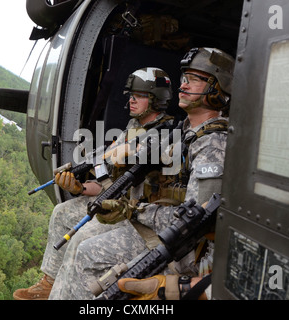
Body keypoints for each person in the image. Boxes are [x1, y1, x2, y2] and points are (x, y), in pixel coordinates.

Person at [57, 47, 234, 300]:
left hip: (183, 251)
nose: (183, 86)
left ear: (217, 89)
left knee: (89, 254)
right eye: (184, 78)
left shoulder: (213, 143)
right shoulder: (184, 131)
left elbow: (194, 223)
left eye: (194, 80)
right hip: (157, 226)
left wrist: (134, 210)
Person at [13, 67, 174, 300]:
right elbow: (109, 180)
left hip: (136, 213)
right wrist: (78, 187)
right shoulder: (132, 128)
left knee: (81, 238)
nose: (131, 100)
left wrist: (109, 155)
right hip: (117, 201)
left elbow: (125, 157)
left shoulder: (166, 133)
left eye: (138, 96)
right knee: (62, 212)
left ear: (156, 100)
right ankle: (49, 283)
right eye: (130, 95)